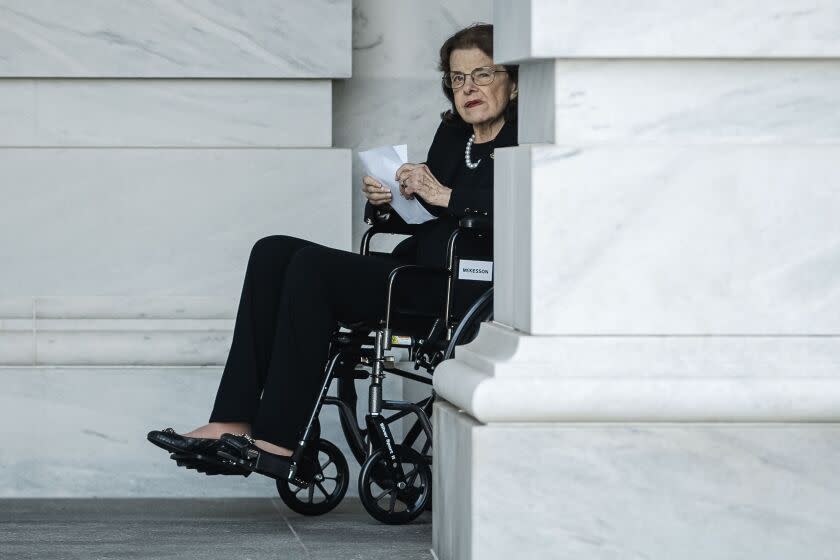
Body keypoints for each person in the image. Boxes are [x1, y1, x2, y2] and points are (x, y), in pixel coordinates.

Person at [148, 23, 518, 480]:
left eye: (482, 74)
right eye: (458, 78)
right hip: (415, 268)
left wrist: (443, 196)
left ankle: (279, 442)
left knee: (312, 268)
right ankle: (232, 418)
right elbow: (424, 214)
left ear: (514, 81)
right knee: (273, 252)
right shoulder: (453, 137)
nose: (468, 88)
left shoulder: (523, 142)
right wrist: (387, 200)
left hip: (462, 286)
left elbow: (517, 213)